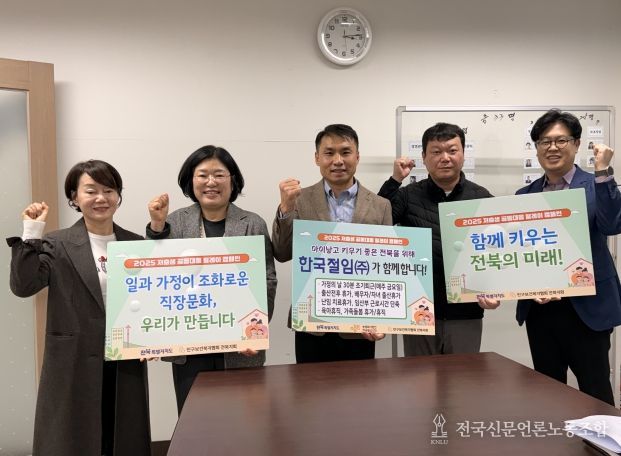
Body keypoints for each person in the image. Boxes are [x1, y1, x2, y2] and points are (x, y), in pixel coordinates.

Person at [7, 160, 151, 456]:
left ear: (118, 196)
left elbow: (150, 299)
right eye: (91, 191)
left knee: (120, 433)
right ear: (74, 197)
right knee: (71, 438)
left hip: (124, 358)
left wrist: (154, 339)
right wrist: (32, 231)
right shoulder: (57, 242)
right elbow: (24, 286)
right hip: (72, 358)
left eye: (109, 190)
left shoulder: (134, 242)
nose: (101, 198)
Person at [147, 145, 277, 413]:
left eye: (219, 174)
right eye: (202, 175)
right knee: (195, 421)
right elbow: (156, 275)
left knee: (244, 421)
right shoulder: (174, 221)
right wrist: (157, 227)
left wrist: (255, 331)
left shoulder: (252, 223)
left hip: (241, 348)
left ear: (232, 180)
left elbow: (267, 280)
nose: (211, 182)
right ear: (191, 180)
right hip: (189, 347)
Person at [515, 109, 621, 405]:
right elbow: (521, 253)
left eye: (561, 140)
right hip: (541, 311)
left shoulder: (596, 185)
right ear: (536, 148)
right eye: (544, 141)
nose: (552, 147)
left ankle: (603, 436)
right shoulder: (524, 195)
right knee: (548, 393)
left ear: (576, 144)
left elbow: (613, 225)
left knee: (596, 391)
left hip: (587, 309)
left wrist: (603, 171)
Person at [272, 124, 392, 363]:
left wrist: (384, 319)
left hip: (360, 322)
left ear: (357, 156)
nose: (338, 160)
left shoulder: (381, 205)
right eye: (329, 153)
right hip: (312, 322)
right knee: (309, 386)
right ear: (317, 158)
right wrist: (286, 208)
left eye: (345, 152)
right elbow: (282, 253)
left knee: (360, 386)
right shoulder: (298, 200)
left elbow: (386, 266)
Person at [378, 122, 496, 357]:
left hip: (466, 312)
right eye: (436, 151)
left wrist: (495, 291)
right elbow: (377, 221)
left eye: (452, 150)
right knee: (419, 378)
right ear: (424, 157)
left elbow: (497, 250)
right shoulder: (407, 195)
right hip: (419, 310)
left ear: (463, 154)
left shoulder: (482, 198)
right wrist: (394, 180)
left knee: (463, 377)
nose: (445, 158)